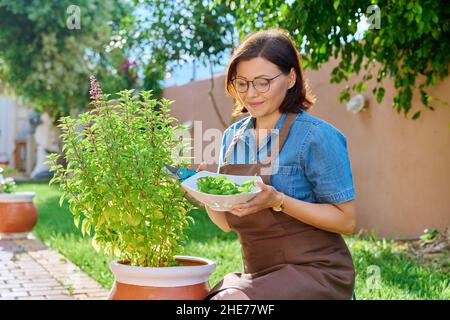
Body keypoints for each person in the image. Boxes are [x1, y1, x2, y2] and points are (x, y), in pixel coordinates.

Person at [198, 29, 357, 300]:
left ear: (291, 78)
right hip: (259, 275)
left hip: (318, 272)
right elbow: (227, 223)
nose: (251, 94)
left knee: (229, 302)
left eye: (263, 82)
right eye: (243, 83)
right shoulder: (232, 138)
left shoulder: (316, 136)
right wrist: (206, 193)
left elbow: (347, 220)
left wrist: (278, 200)